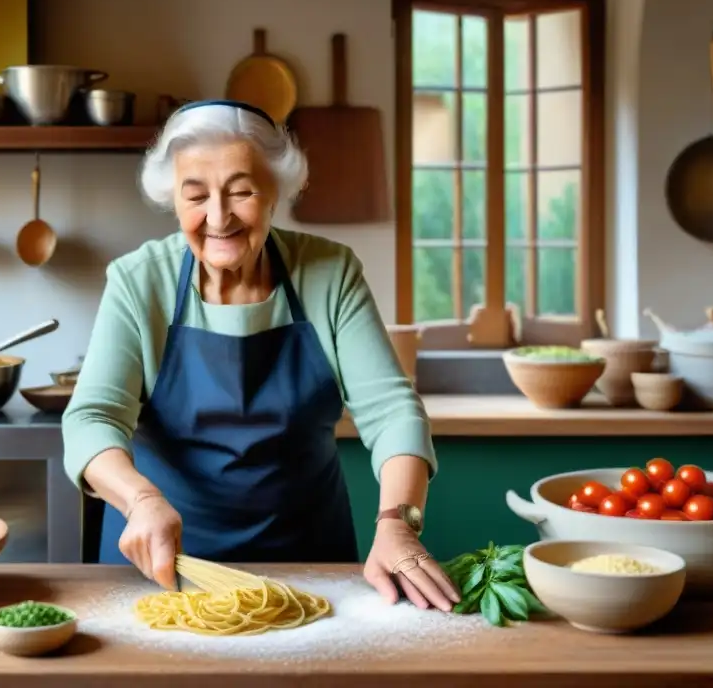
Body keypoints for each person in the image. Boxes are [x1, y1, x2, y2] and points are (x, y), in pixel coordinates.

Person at [62, 99, 460, 611]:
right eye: (196, 196)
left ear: (277, 191)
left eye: (241, 192)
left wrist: (397, 524)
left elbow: (391, 411)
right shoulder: (140, 281)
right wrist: (141, 501)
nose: (218, 217)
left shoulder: (329, 273)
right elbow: (91, 419)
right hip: (164, 566)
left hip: (310, 569)